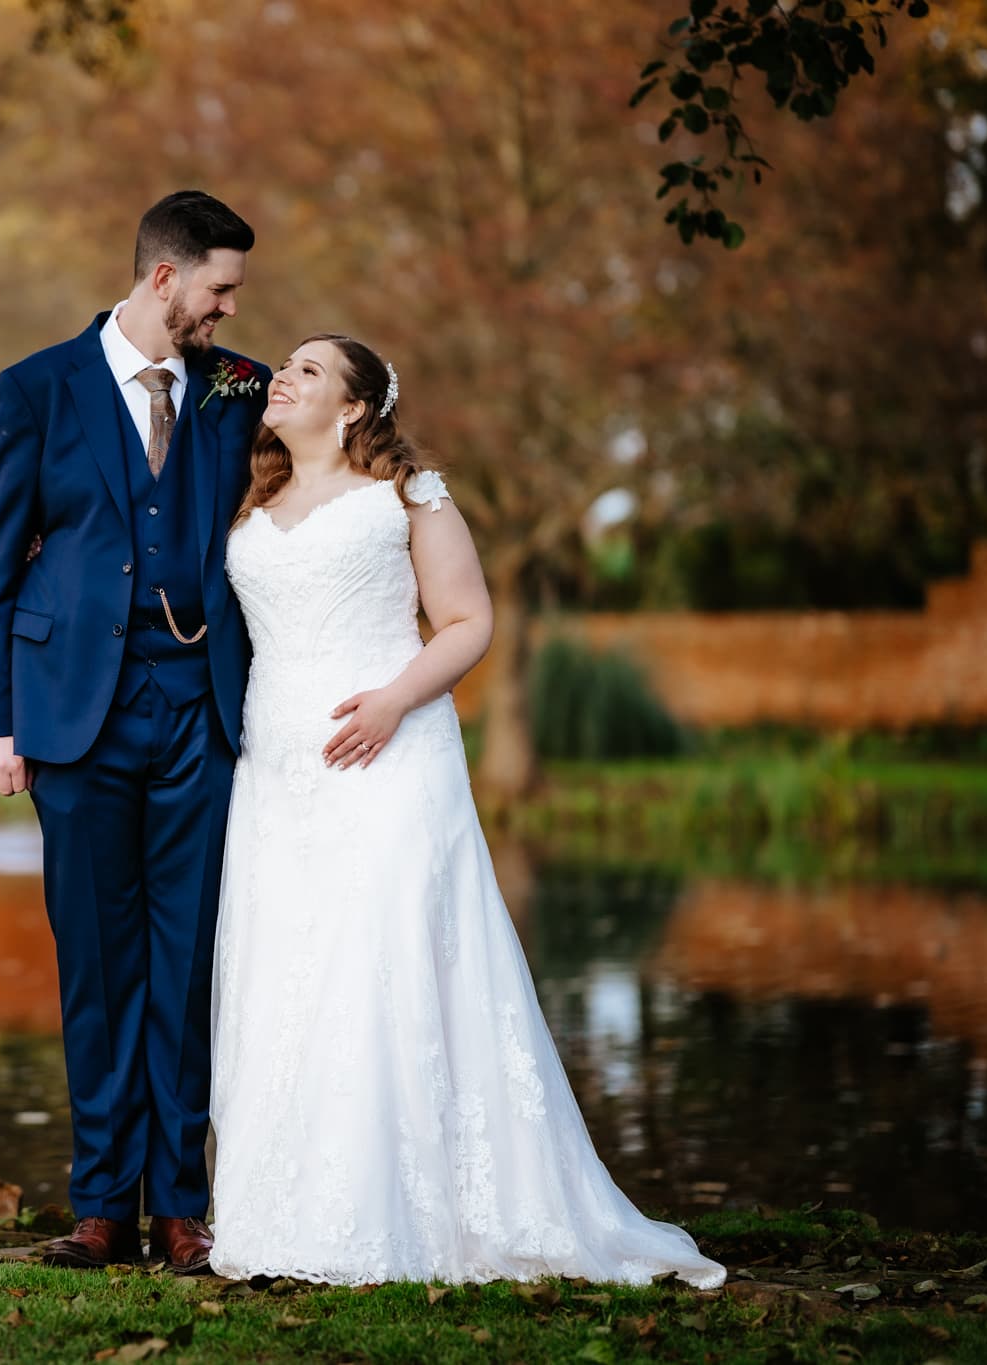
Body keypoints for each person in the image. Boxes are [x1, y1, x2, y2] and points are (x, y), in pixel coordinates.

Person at [206, 333, 725, 1288]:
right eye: (286, 364)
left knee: (382, 960)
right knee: (288, 969)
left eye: (310, 370)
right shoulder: (250, 496)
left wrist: (396, 700)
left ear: (356, 406)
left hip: (390, 755)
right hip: (278, 767)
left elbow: (470, 619)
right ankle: (284, 1212)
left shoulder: (411, 494)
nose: (283, 376)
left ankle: (413, 1212)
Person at [0, 191, 268, 1273]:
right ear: (164, 278)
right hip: (70, 713)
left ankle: (180, 1205)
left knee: (184, 966)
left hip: (201, 709)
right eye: (219, 290)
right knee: (95, 959)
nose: (229, 313)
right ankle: (100, 1205)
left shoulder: (243, 391)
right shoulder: (35, 388)